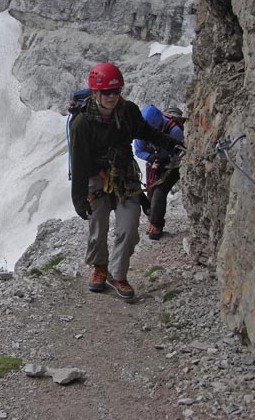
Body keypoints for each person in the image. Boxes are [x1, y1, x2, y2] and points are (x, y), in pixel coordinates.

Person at [68, 63, 183, 299]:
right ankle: (100, 268)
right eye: (107, 92)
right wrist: (79, 198)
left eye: (116, 91)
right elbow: (79, 164)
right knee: (98, 226)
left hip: (124, 176)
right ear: (95, 93)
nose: (112, 97)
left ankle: (118, 275)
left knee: (129, 228)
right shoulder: (82, 124)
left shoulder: (128, 111)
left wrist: (172, 144)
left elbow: (147, 132)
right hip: (95, 177)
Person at [134, 105, 185, 240]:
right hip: (154, 163)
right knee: (150, 193)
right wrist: (151, 158)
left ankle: (156, 225)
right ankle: (153, 220)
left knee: (159, 192)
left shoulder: (174, 131)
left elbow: (180, 153)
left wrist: (164, 159)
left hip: (172, 166)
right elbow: (138, 151)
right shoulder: (141, 130)